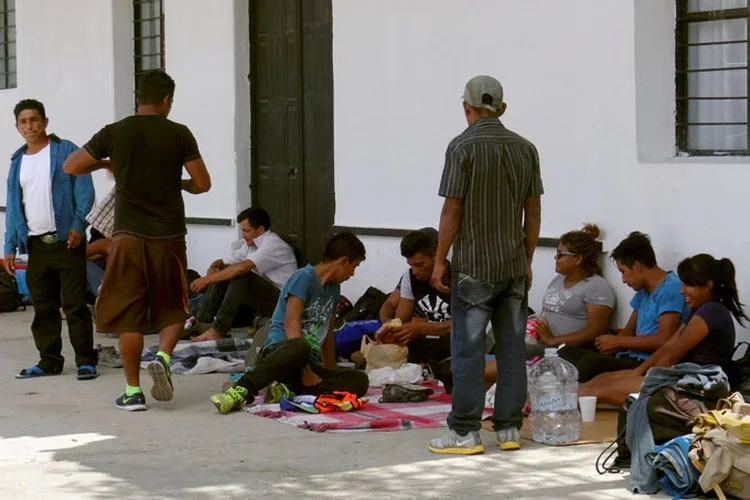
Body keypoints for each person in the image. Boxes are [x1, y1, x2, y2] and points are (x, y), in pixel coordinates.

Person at [63, 69, 212, 411]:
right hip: (169, 235)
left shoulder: (116, 131)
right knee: (174, 304)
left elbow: (71, 166)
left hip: (127, 236)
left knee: (129, 314)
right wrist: (181, 184)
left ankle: (133, 392)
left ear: (138, 98)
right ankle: (161, 356)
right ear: (166, 100)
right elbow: (203, 183)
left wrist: (108, 162)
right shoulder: (179, 134)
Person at [429, 75, 543, 455]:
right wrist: (526, 259)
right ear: (503, 109)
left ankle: (464, 431)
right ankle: (509, 429)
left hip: (473, 267)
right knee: (512, 349)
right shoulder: (526, 149)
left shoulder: (461, 147)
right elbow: (533, 209)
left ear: (467, 107)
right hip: (512, 266)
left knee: (469, 351)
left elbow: (453, 208)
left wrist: (439, 258)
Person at [436, 224, 616, 392]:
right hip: (535, 346)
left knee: (475, 374)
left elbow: (596, 330)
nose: (556, 258)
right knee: (473, 375)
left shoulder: (596, 286)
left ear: (578, 259)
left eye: (561, 254)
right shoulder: (559, 280)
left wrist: (554, 340)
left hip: (560, 353)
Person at [210, 231, 370, 414]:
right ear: (343, 261)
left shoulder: (334, 289)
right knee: (300, 346)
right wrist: (305, 371)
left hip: (308, 362)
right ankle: (240, 390)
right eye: (354, 266)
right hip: (283, 353)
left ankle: (286, 389)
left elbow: (327, 334)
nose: (353, 274)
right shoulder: (303, 278)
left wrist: (330, 373)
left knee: (359, 380)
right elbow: (291, 323)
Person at [4, 99, 98, 379]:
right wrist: (9, 246)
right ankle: (49, 361)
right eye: (23, 122)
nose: (29, 126)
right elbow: (13, 205)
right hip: (35, 244)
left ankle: (85, 360)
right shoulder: (18, 161)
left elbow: (84, 189)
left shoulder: (65, 151)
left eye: (34, 120)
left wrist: (78, 225)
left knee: (74, 304)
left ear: (45, 122)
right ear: (17, 127)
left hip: (66, 242)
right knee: (43, 306)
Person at [579, 254, 747, 406]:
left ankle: (559, 408)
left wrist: (648, 380)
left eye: (688, 285)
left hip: (691, 386)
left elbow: (674, 353)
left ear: (708, 286)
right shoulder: (698, 311)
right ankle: (559, 402)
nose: (682, 291)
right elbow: (668, 346)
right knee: (601, 379)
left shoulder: (711, 311)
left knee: (602, 389)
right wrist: (636, 372)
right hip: (675, 377)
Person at [559, 232, 689, 382]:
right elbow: (628, 331)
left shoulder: (672, 288)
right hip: (626, 354)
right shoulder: (643, 290)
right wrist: (608, 344)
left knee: (588, 365)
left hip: (645, 362)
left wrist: (618, 342)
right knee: (565, 352)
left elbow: (663, 339)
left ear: (637, 266)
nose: (623, 280)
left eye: (623, 272)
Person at [188, 207, 298, 342]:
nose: (243, 235)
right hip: (261, 302)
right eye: (242, 231)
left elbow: (241, 268)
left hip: (283, 303)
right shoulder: (249, 245)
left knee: (240, 274)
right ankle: (202, 321)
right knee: (228, 270)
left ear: (261, 230)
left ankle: (219, 329)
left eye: (246, 231)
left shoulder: (273, 244)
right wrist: (213, 267)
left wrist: (207, 280)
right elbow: (224, 262)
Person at [377, 229, 451, 364]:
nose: (415, 271)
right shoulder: (409, 277)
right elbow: (401, 320)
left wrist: (420, 328)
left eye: (419, 264)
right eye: (411, 265)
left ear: (435, 255)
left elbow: (466, 325)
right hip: (424, 345)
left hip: (455, 347)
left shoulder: (460, 277)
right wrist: (391, 328)